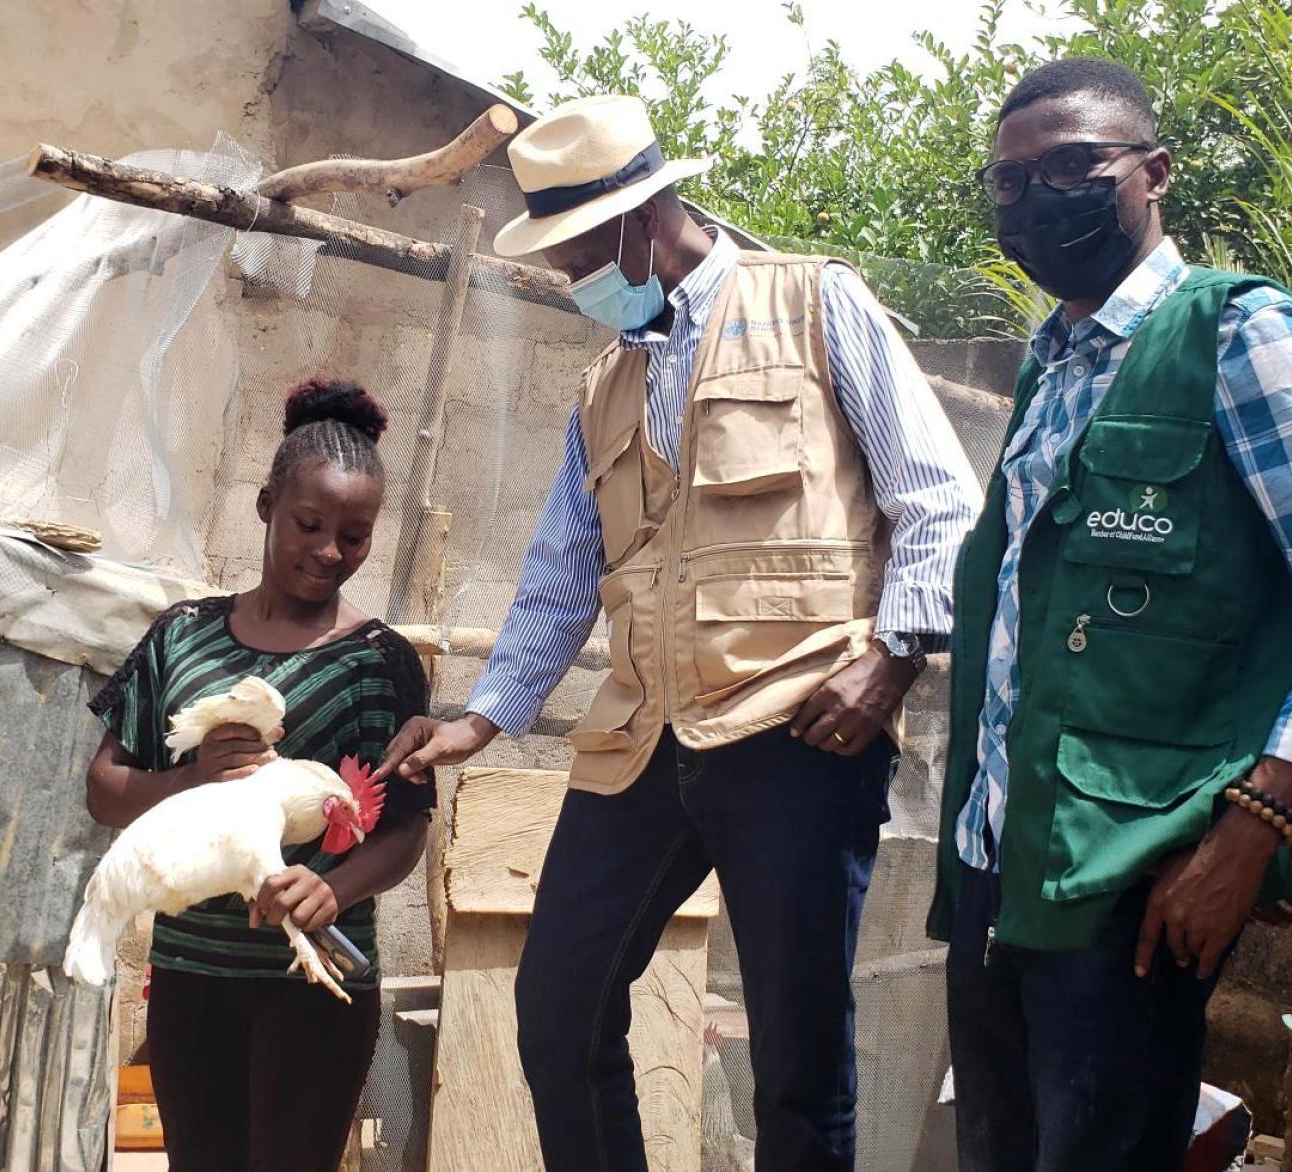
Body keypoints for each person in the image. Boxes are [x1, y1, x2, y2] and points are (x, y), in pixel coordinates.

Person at [377, 94, 982, 1171]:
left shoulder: (814, 303)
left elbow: (939, 499)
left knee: (797, 1057)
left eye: (580, 254)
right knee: (557, 1009)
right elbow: (565, 570)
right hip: (641, 738)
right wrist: (482, 719)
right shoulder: (604, 383)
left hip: (800, 723)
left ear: (645, 217)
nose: (573, 278)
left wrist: (890, 662)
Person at [928, 57, 1292, 1171]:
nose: (1036, 199)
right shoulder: (1048, 369)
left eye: (1071, 167)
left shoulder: (1236, 337)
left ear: (1154, 172)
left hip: (1136, 876)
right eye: (1009, 182)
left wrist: (1255, 822)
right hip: (997, 857)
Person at [84, 380, 436, 1172]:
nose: (330, 551)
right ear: (267, 504)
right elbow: (104, 789)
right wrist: (189, 781)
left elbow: (406, 829)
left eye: (355, 535)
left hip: (316, 980)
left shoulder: (380, 664)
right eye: (310, 525)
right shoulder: (182, 637)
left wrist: (334, 890)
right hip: (191, 974)